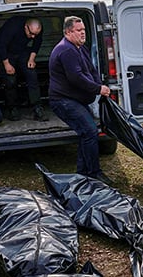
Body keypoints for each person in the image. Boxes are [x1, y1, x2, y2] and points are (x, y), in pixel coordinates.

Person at [48, 16, 113, 184]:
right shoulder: (66, 50)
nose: (83, 33)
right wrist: (98, 89)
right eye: (79, 30)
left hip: (74, 100)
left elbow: (91, 69)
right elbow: (75, 78)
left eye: (84, 30)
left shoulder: (78, 47)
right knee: (90, 131)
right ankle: (93, 173)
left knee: (87, 133)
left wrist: (99, 83)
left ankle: (82, 173)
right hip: (63, 101)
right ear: (68, 32)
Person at [0, 16, 47, 121]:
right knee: (10, 80)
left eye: (36, 34)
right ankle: (13, 109)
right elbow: (1, 45)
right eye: (31, 34)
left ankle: (37, 108)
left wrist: (31, 59)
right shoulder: (12, 26)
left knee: (32, 76)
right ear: (26, 27)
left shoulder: (37, 29)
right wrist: (7, 64)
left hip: (22, 50)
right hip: (6, 52)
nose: (33, 37)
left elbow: (37, 43)